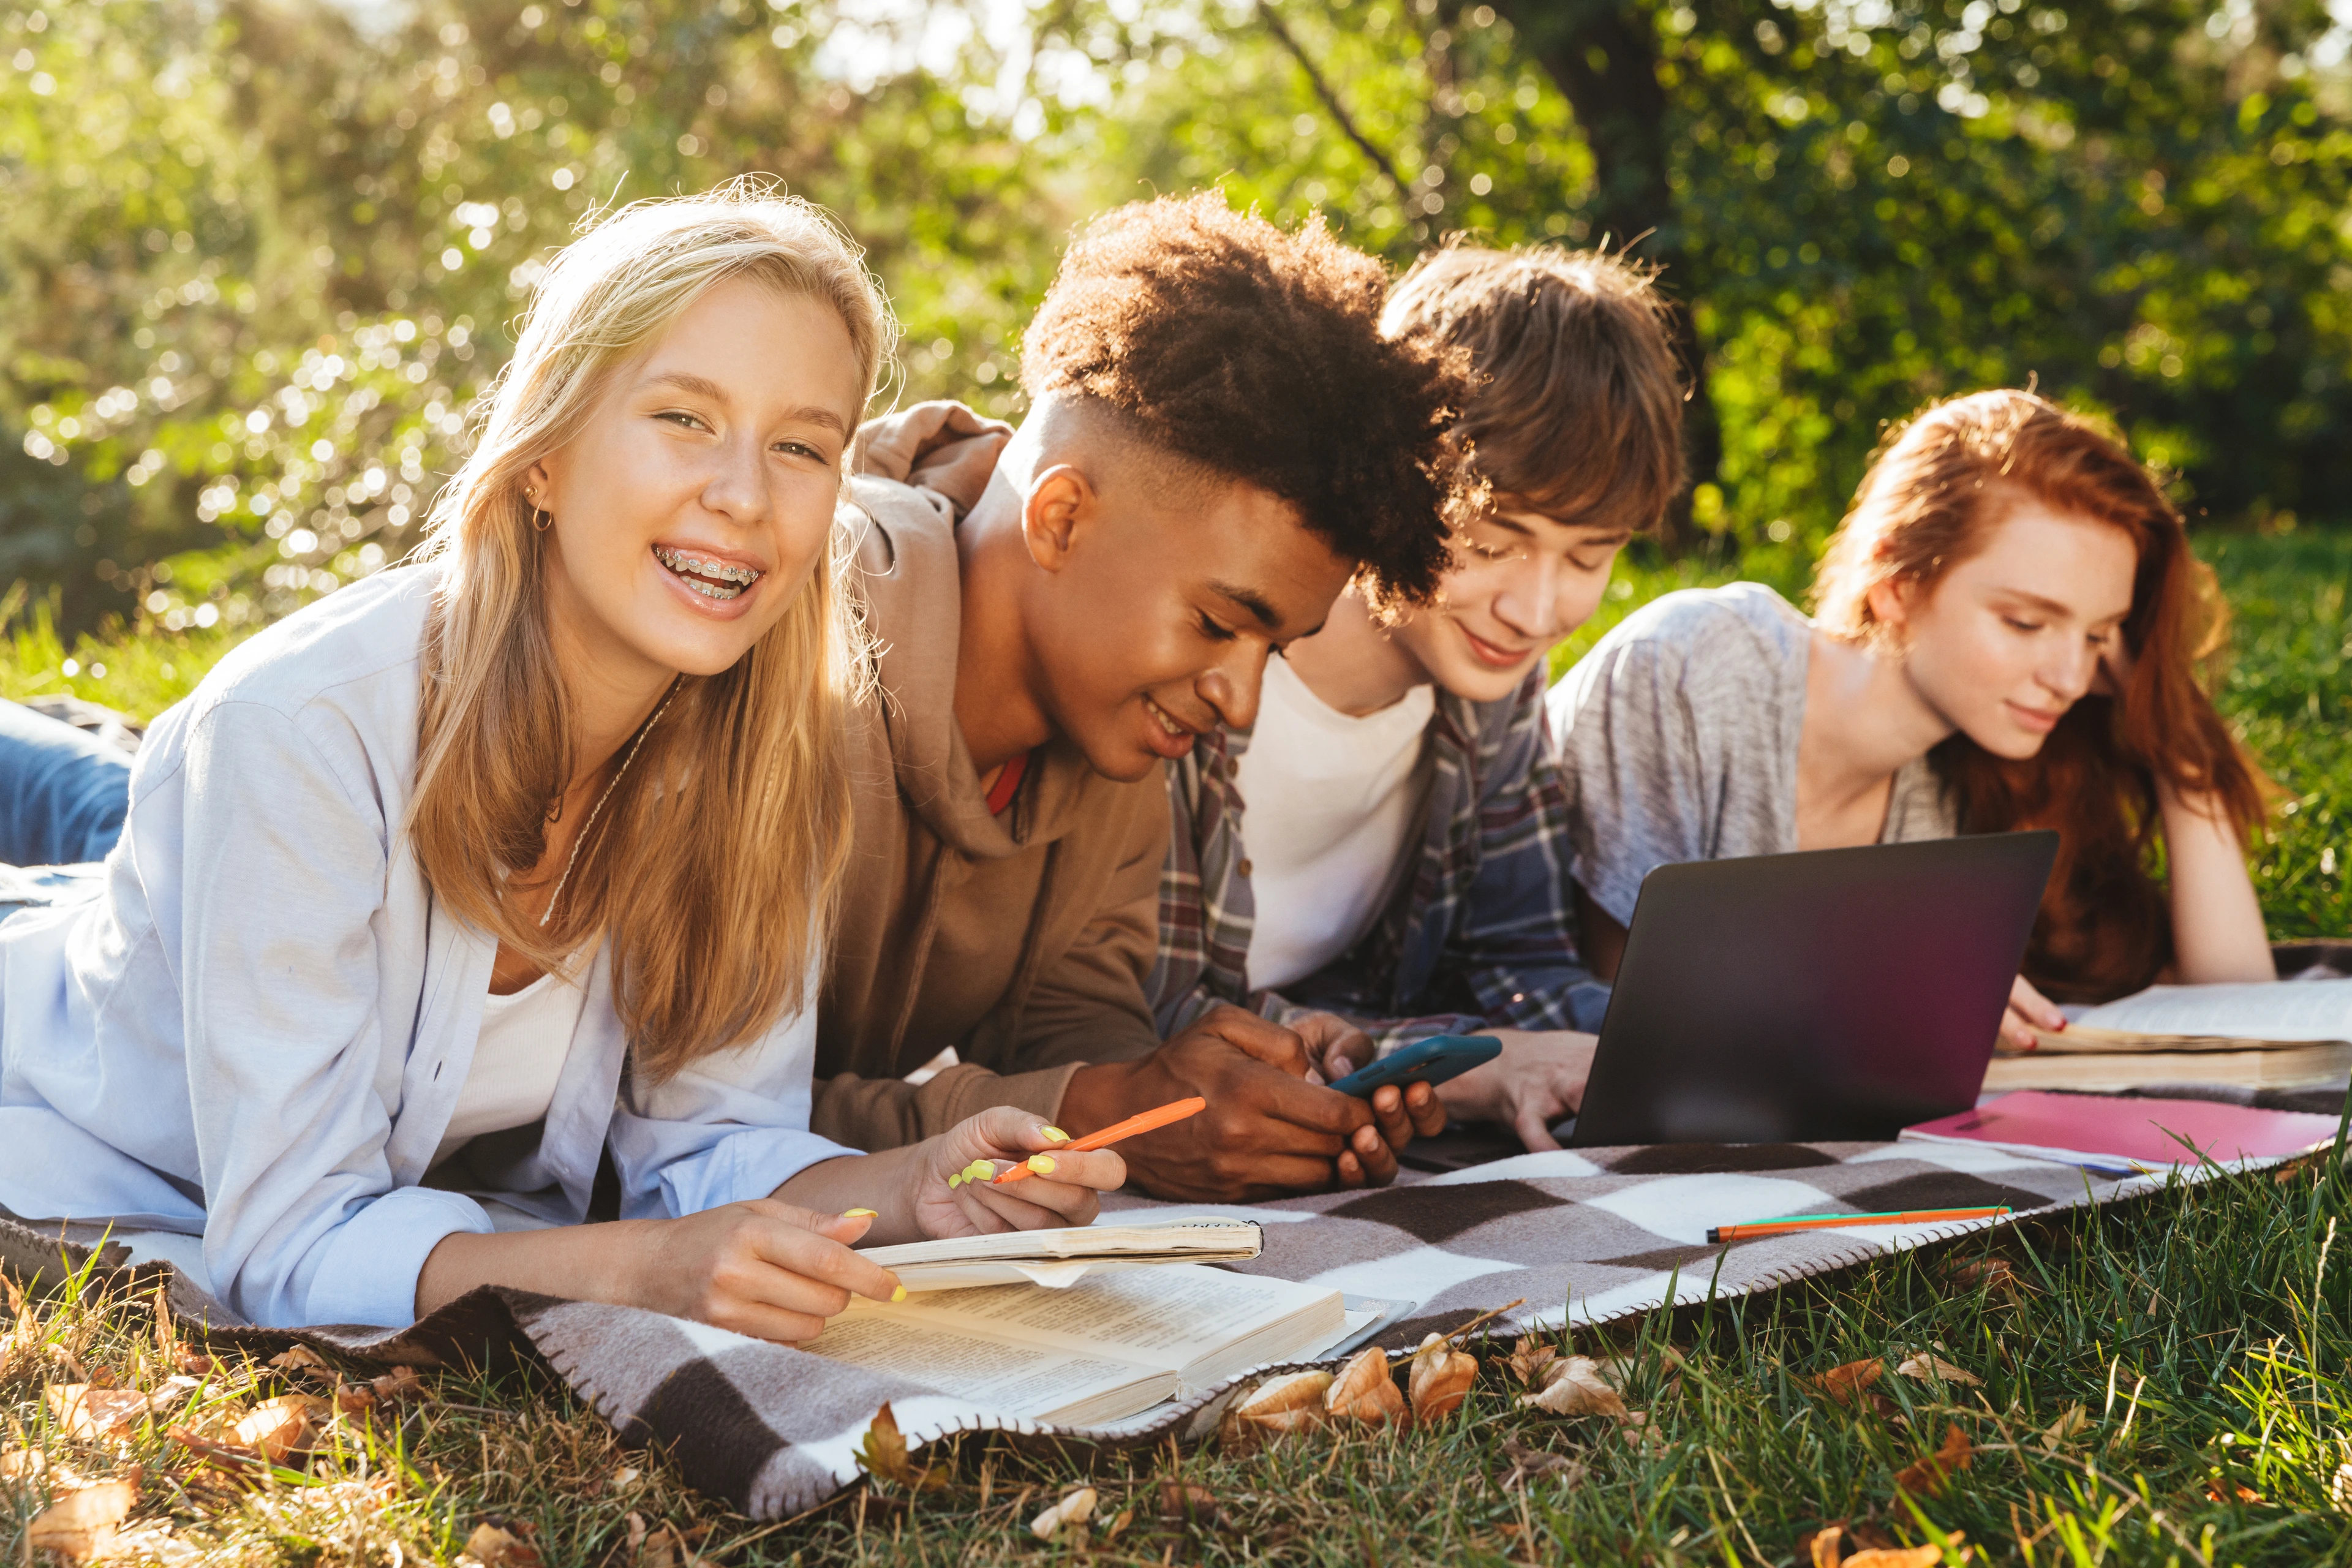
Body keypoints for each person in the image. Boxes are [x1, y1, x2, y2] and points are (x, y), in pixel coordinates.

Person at [0, 186, 1123, 1335]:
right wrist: (644, 1269)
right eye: (685, 418)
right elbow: (289, 1248)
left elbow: (713, 1150)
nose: (743, 496)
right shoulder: (301, 728)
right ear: (545, 457)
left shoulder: (764, 769)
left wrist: (913, 1186)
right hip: (61, 1119)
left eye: (801, 445)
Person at [809, 193, 1477, 1202]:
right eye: (1218, 623)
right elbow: (682, 1121)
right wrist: (1095, 1113)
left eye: (1276, 649)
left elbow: (1071, 1030)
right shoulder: (797, 640)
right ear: (1062, 518)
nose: (1240, 704)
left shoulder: (1116, 741)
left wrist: (1220, 1105)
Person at [1148, 244, 1686, 1153]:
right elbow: (1145, 1010)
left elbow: (1518, 962)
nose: (1537, 610)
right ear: (1397, 474)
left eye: (1590, 556)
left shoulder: (1491, 689)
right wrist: (1468, 1065)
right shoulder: (1202, 658)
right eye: (1493, 540)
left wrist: (1678, 1037)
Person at [1549, 388, 2274, 1049]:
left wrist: (2174, 742)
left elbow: (2241, 1012)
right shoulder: (1695, 667)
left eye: (2095, 637)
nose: (2071, 678)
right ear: (1895, 582)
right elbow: (1625, 1016)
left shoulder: (1964, 789)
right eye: (2025, 622)